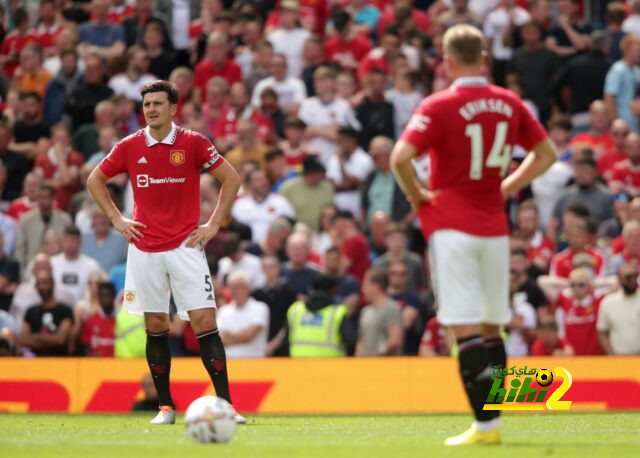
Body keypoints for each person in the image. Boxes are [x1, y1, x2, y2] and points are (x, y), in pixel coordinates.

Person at [390, 25, 556, 445]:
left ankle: (484, 428)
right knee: (492, 326)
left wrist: (418, 196)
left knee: (463, 328)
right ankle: (494, 424)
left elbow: (400, 157)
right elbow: (547, 154)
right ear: (483, 57)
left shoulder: (440, 104)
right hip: (495, 227)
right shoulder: (509, 102)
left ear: (446, 60)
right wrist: (507, 187)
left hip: (451, 226)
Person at [86, 80, 243, 425]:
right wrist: (117, 219)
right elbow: (94, 179)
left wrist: (214, 224)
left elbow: (231, 179)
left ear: (174, 108)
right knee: (155, 325)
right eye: (147, 105)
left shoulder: (193, 143)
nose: (152, 109)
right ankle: (166, 408)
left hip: (186, 246)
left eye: (158, 103)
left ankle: (227, 406)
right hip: (144, 248)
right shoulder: (129, 146)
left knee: (204, 322)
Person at [287, 274, 355, 357]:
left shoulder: (295, 310)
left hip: (298, 367)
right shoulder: (338, 313)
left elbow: (285, 342)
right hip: (330, 368)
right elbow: (351, 341)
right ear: (333, 290)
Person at [14, 184, 72, 275]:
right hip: (32, 270)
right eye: (39, 197)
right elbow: (19, 250)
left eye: (45, 197)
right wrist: (22, 274)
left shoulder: (65, 220)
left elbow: (68, 246)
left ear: (53, 198)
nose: (42, 200)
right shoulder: (25, 220)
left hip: (60, 270)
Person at [231, 168, 295, 244]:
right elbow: (234, 229)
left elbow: (291, 225)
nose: (263, 182)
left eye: (265, 178)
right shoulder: (240, 204)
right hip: (248, 248)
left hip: (277, 248)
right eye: (258, 180)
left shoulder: (281, 201)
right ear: (249, 185)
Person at [19, 270, 73, 357]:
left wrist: (34, 337)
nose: (41, 287)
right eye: (38, 284)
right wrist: (51, 339)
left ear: (52, 284)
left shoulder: (65, 310)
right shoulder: (31, 311)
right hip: (35, 361)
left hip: (60, 361)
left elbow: (60, 339)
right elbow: (23, 339)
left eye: (44, 283)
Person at [217, 270, 270, 358]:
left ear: (248, 288)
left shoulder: (261, 308)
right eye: (232, 287)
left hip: (254, 364)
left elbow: (248, 335)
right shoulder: (223, 311)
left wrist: (227, 335)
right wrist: (240, 336)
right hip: (229, 364)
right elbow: (218, 340)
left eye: (239, 287)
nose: (235, 291)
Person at [252, 255, 297, 356]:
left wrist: (275, 343)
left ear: (279, 267)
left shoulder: (289, 293)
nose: (270, 271)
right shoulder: (256, 295)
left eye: (272, 266)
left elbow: (290, 320)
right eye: (266, 267)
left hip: (284, 345)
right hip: (261, 345)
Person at [280, 155, 334, 231]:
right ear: (307, 173)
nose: (320, 176)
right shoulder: (288, 188)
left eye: (321, 173)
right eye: (317, 173)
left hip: (321, 231)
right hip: (296, 231)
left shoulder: (327, 187)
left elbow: (330, 208)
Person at [356, 268, 403, 356]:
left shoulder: (391, 308)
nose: (363, 289)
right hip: (366, 367)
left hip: (386, 366)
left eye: (365, 285)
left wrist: (376, 355)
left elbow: (395, 339)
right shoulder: (365, 311)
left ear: (375, 286)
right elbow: (361, 340)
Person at [597, 264, 640, 355]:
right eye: (628, 277)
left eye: (634, 276)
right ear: (620, 280)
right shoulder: (608, 303)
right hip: (619, 357)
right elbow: (602, 331)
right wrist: (611, 354)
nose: (632, 280)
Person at [81, 205, 128, 272]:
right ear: (92, 219)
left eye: (105, 216)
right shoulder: (83, 238)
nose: (102, 220)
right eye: (98, 217)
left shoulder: (121, 239)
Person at [79, 281, 116, 356]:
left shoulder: (120, 320)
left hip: (119, 364)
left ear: (113, 296)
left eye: (107, 295)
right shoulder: (90, 320)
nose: (105, 299)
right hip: (95, 365)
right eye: (102, 296)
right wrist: (90, 356)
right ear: (98, 298)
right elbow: (85, 346)